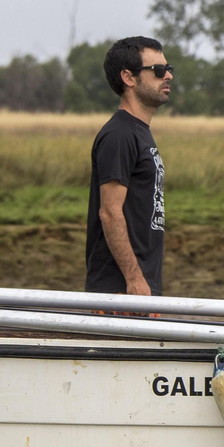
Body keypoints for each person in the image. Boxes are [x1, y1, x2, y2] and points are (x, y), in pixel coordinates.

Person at [85, 36, 172, 296]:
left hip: (138, 287)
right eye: (158, 71)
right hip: (120, 292)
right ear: (129, 78)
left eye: (169, 69)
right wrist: (134, 280)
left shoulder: (139, 132)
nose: (167, 76)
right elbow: (110, 212)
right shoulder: (120, 134)